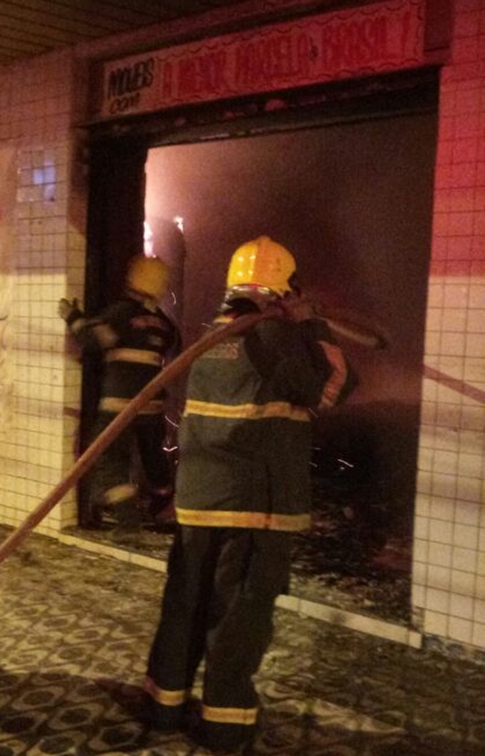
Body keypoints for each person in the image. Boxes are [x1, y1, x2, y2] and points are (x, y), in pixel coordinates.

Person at [141, 236, 357, 754]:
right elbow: (334, 387)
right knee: (238, 618)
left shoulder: (213, 335)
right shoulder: (277, 336)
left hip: (199, 503)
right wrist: (312, 324)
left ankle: (163, 709)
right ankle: (227, 724)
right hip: (253, 508)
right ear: (286, 290)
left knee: (185, 605)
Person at [59, 255, 181, 540]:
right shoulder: (164, 324)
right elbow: (171, 350)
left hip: (118, 405)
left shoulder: (120, 313)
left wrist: (73, 317)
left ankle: (128, 521)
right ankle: (163, 506)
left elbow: (93, 341)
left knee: (107, 461)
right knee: (154, 460)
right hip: (152, 406)